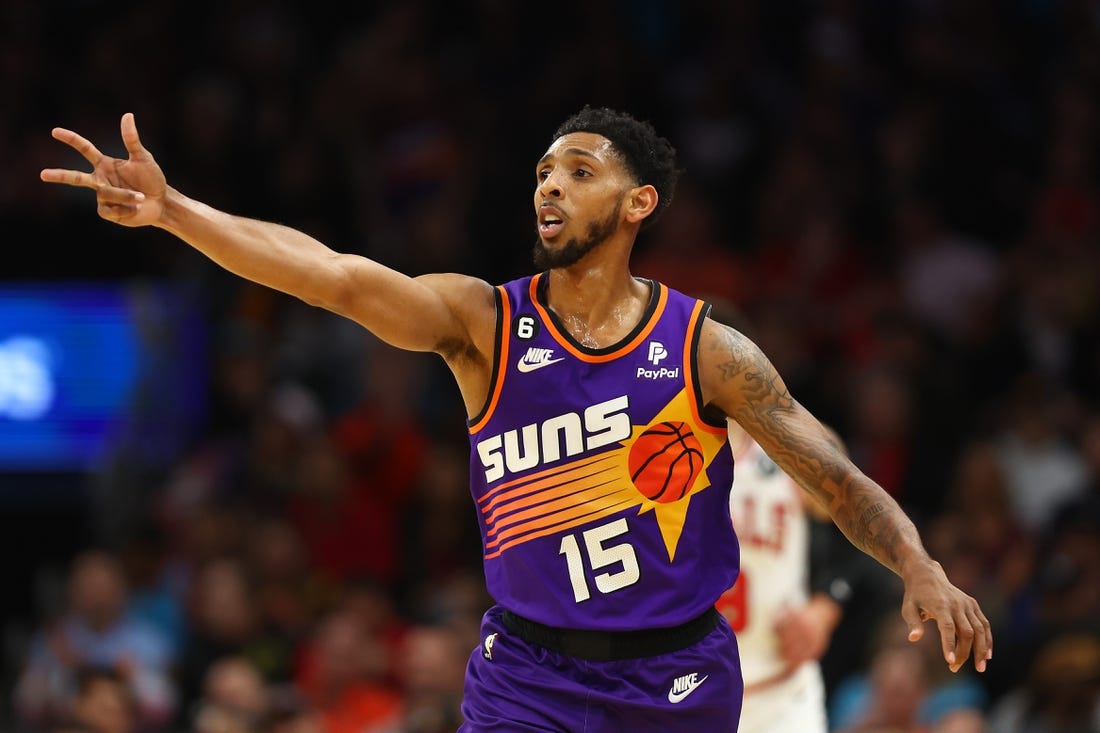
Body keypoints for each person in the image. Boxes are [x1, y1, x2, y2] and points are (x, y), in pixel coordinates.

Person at [41, 106, 992, 731]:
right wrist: (176, 215)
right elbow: (328, 273)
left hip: (680, 677)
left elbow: (834, 475)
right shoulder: (483, 323)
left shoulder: (704, 349)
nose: (549, 185)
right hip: (526, 677)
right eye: (543, 170)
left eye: (578, 170)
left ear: (637, 203)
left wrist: (919, 564)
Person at [718, 418, 847, 733]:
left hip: (781, 695)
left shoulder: (791, 440)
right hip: (685, 695)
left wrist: (824, 608)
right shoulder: (655, 446)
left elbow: (860, 538)